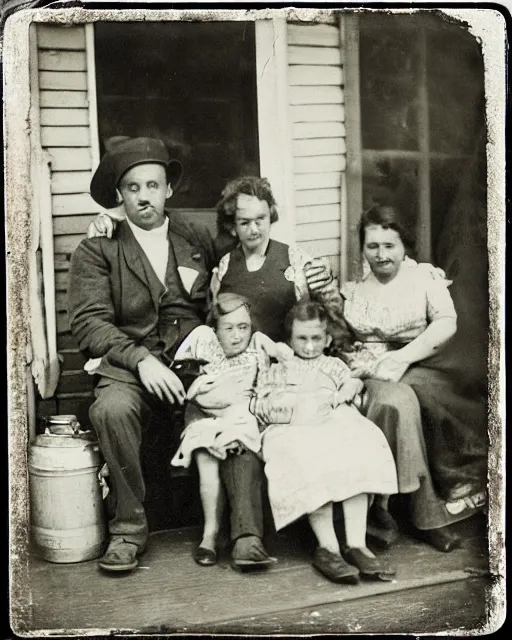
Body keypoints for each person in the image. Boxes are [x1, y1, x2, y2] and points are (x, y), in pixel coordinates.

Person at [68, 137, 272, 572]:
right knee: (111, 409)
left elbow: (244, 259)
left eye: (153, 185)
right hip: (132, 364)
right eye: (134, 188)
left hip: (197, 362)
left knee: (237, 401)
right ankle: (127, 530)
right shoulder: (98, 248)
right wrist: (141, 359)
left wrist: (305, 269)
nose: (145, 196)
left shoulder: (193, 236)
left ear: (169, 190)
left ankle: (247, 534)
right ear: (119, 195)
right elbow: (89, 324)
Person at [328, 205, 487, 552]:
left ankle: (416, 510)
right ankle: (422, 514)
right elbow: (343, 340)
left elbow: (447, 322)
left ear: (404, 247)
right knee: (394, 401)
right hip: (373, 370)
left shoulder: (423, 279)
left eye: (390, 245)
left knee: (416, 396)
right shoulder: (353, 291)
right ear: (362, 248)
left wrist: (402, 358)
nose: (381, 255)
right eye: (373, 246)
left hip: (422, 362)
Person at [251, 301, 398, 584]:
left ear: (328, 339)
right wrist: (284, 403)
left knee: (360, 443)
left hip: (332, 423)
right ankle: (327, 546)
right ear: (288, 340)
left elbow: (352, 389)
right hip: (293, 427)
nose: (308, 346)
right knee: (308, 456)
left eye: (316, 338)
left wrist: (351, 387)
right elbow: (262, 405)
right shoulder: (278, 369)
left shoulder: (334, 366)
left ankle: (356, 543)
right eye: (301, 339)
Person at [170, 293, 292, 568]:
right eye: (229, 328)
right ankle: (209, 536)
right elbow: (197, 395)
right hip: (207, 420)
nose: (237, 336)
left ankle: (244, 540)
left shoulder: (256, 350)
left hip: (243, 421)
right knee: (206, 459)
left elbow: (279, 364)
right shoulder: (205, 350)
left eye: (243, 327)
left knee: (243, 451)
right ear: (215, 330)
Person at [211, 176, 341, 342]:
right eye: (245, 223)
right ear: (232, 226)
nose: (254, 229)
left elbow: (333, 314)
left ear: (270, 216)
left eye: (260, 220)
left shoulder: (297, 260)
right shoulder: (225, 265)